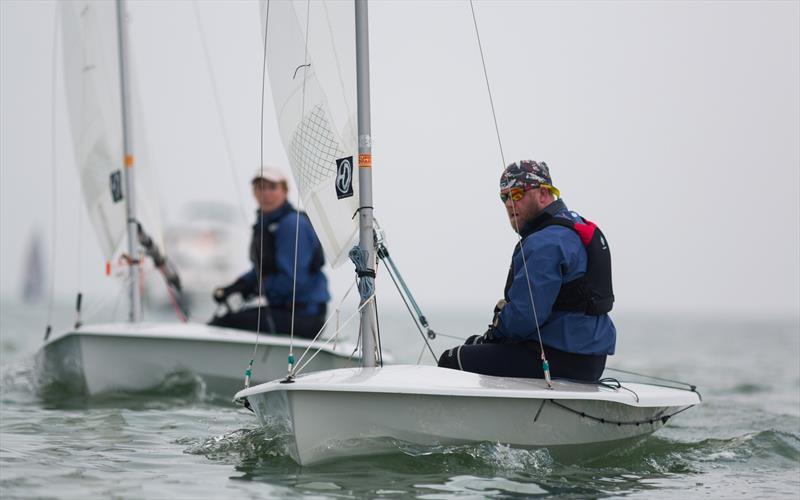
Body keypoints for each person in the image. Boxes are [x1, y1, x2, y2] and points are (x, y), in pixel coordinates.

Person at [438, 160, 616, 382]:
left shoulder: (545, 242)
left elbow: (525, 316)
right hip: (589, 358)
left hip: (559, 357)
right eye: (504, 197)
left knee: (451, 359)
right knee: (474, 345)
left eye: (517, 194)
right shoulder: (575, 226)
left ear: (543, 193)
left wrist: (494, 333)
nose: (509, 203)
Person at [209, 166, 330, 339]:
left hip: (304, 317)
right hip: (282, 310)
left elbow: (293, 280)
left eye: (272, 187)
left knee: (224, 323)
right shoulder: (266, 224)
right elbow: (261, 269)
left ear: (285, 191)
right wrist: (236, 287)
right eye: (259, 187)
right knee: (224, 317)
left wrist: (254, 289)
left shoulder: (292, 225)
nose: (265, 193)